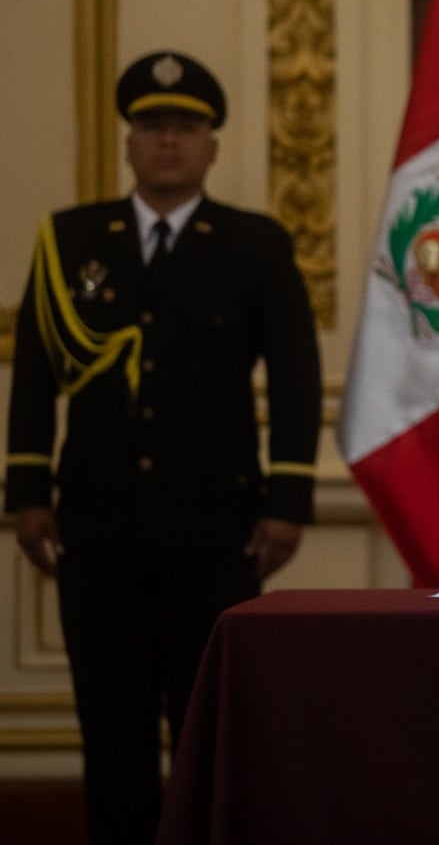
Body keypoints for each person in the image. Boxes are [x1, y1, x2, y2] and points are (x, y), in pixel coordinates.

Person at [4, 50, 322, 844]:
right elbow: (37, 376)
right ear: (129, 143)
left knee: (206, 732)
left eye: (185, 127)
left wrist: (287, 501)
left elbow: (294, 378)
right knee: (110, 735)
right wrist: (27, 489)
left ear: (212, 145)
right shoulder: (71, 240)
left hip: (214, 534)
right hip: (97, 533)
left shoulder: (254, 245)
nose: (168, 142)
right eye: (152, 127)